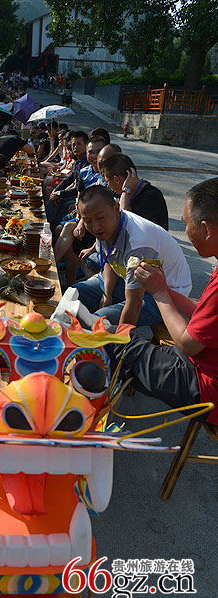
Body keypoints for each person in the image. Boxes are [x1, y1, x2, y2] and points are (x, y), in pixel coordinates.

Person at [106, 177, 218, 426]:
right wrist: (164, 288)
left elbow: (188, 345)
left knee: (111, 341)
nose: (184, 231)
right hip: (204, 362)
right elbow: (203, 313)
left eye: (185, 224)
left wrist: (159, 292)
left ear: (206, 229)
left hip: (206, 388)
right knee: (122, 339)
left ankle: (94, 423)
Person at [73, 185, 192, 326]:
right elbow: (111, 260)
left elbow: (134, 304)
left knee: (99, 321)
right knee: (74, 293)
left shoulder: (139, 242)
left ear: (116, 208)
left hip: (164, 296)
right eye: (87, 221)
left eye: (100, 218)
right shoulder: (107, 226)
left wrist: (122, 337)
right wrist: (107, 294)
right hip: (130, 281)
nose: (95, 227)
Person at [99, 153, 169, 230]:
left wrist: (125, 192)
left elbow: (125, 224)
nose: (108, 186)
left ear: (117, 180)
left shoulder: (152, 197)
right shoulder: (119, 192)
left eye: (107, 181)